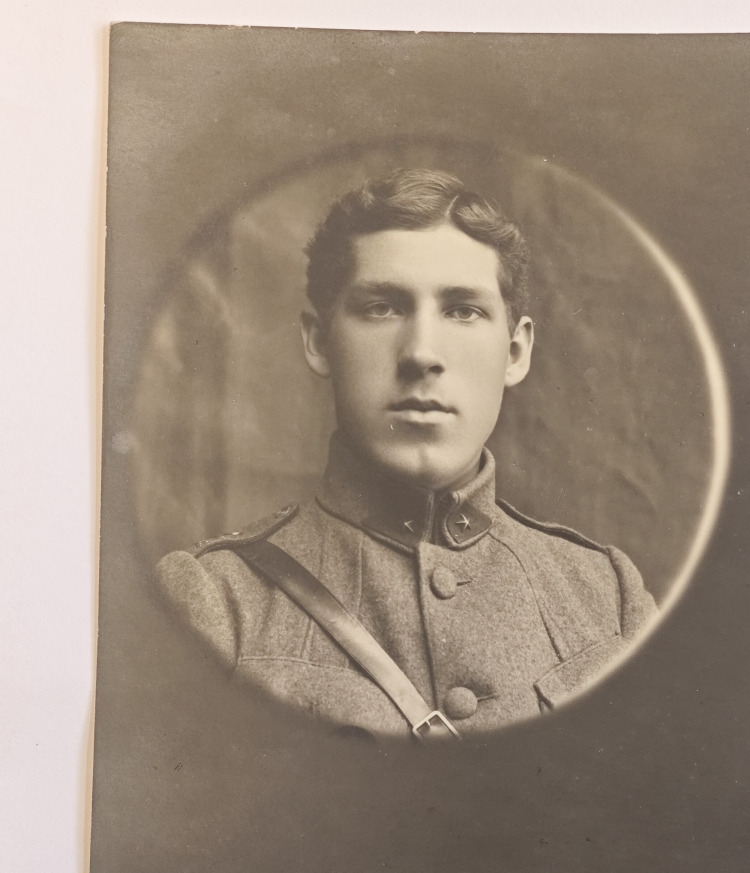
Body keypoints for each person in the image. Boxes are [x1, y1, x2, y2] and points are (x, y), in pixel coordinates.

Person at [156, 168, 657, 739]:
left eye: (463, 310)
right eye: (382, 307)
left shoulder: (606, 599)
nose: (421, 353)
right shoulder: (218, 605)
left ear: (516, 352)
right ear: (319, 341)